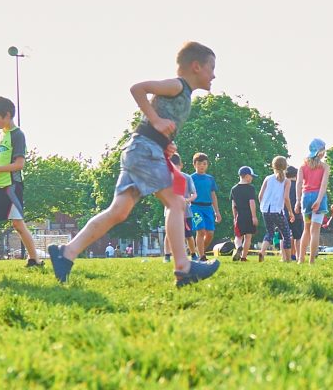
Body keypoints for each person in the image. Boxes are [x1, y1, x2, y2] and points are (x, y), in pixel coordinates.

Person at [49, 42, 219, 287]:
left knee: (118, 212)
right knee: (176, 202)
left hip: (144, 149)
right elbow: (137, 88)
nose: (214, 74)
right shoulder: (177, 85)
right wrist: (156, 121)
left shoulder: (185, 94)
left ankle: (66, 253)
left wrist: (165, 141)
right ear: (196, 66)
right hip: (143, 151)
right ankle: (183, 267)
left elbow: (158, 125)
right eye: (211, 67)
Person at [0, 97, 42, 268]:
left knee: (18, 224)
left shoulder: (18, 135)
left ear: (7, 115)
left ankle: (35, 260)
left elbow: (19, 165)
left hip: (11, 187)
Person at [296, 139, 330, 265]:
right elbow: (323, 185)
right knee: (315, 231)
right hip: (318, 198)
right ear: (320, 151)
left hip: (306, 198)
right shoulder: (325, 166)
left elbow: (299, 184)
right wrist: (319, 200)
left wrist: (297, 201)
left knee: (306, 229)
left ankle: (300, 259)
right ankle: (311, 261)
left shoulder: (302, 166)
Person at [257, 156, 294, 262]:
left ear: (273, 166)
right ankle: (288, 259)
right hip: (277, 210)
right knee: (286, 234)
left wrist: (263, 205)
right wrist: (290, 212)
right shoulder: (286, 181)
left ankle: (262, 251)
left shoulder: (268, 178)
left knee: (270, 233)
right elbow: (286, 198)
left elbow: (260, 195)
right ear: (285, 166)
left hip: (265, 210)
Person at [163, 153, 197, 263]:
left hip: (185, 212)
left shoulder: (187, 178)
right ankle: (167, 255)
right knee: (169, 234)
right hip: (170, 211)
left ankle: (193, 255)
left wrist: (186, 200)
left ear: (181, 165)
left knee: (189, 235)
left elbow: (194, 194)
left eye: (176, 166)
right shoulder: (166, 178)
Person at [190, 153, 221, 262]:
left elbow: (213, 195)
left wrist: (217, 211)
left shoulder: (210, 179)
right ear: (194, 165)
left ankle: (199, 250)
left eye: (204, 164)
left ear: (207, 165)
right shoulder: (191, 178)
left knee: (210, 233)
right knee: (201, 230)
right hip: (195, 207)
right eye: (199, 164)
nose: (201, 166)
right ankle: (202, 256)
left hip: (208, 208)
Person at [230, 167, 259, 261]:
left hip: (239, 215)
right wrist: (254, 216)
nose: (252, 178)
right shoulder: (250, 188)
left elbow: (233, 205)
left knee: (238, 236)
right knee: (248, 236)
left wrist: (235, 217)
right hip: (249, 215)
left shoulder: (234, 189)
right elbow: (252, 202)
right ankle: (243, 257)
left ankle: (238, 246)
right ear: (246, 176)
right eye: (251, 176)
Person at [286, 166, 303, 261]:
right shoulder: (298, 185)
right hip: (297, 213)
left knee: (284, 236)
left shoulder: (283, 184)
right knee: (298, 237)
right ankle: (298, 256)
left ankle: (284, 257)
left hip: (285, 212)